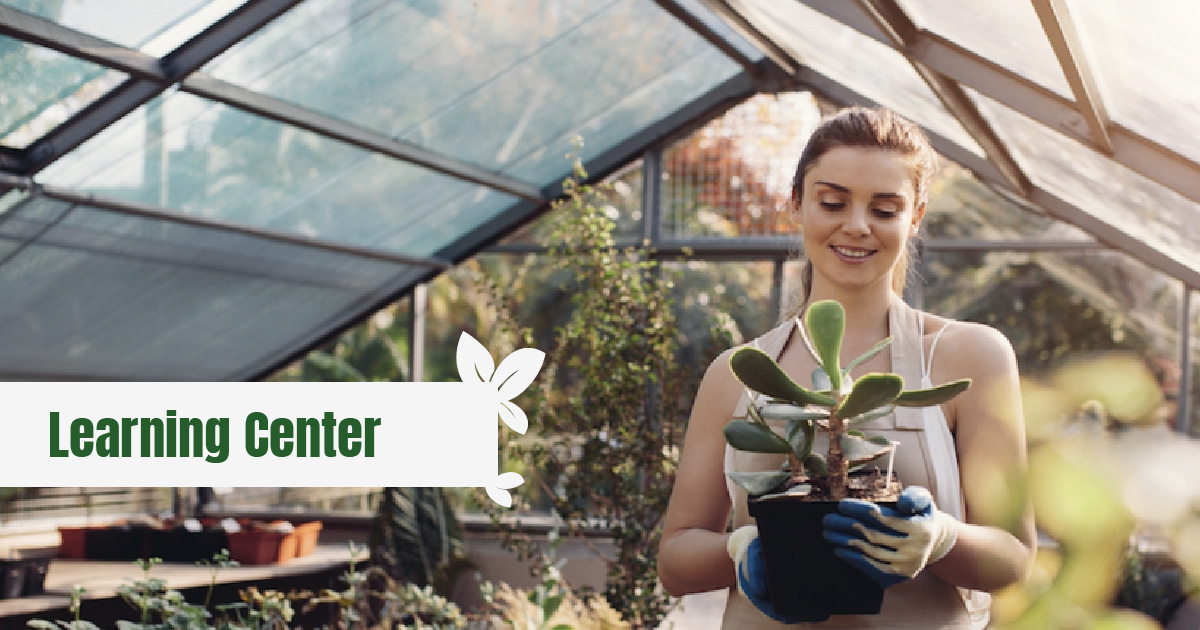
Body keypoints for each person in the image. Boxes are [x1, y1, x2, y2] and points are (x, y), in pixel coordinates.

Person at [657, 106, 1036, 628]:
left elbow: (1013, 557)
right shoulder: (739, 372)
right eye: (832, 202)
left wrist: (940, 539)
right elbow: (675, 561)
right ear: (797, 205)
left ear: (915, 217)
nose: (856, 227)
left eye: (884, 210)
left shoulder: (970, 357)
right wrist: (743, 549)